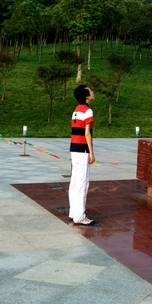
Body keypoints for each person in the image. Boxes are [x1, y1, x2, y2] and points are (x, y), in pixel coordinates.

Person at [68, 84, 96, 225]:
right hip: (83, 150)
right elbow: (87, 133)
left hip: (74, 148)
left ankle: (74, 212)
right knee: (82, 182)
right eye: (90, 90)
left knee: (75, 181)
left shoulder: (76, 111)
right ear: (86, 95)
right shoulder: (88, 111)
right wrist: (91, 152)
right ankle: (80, 216)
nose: (92, 92)